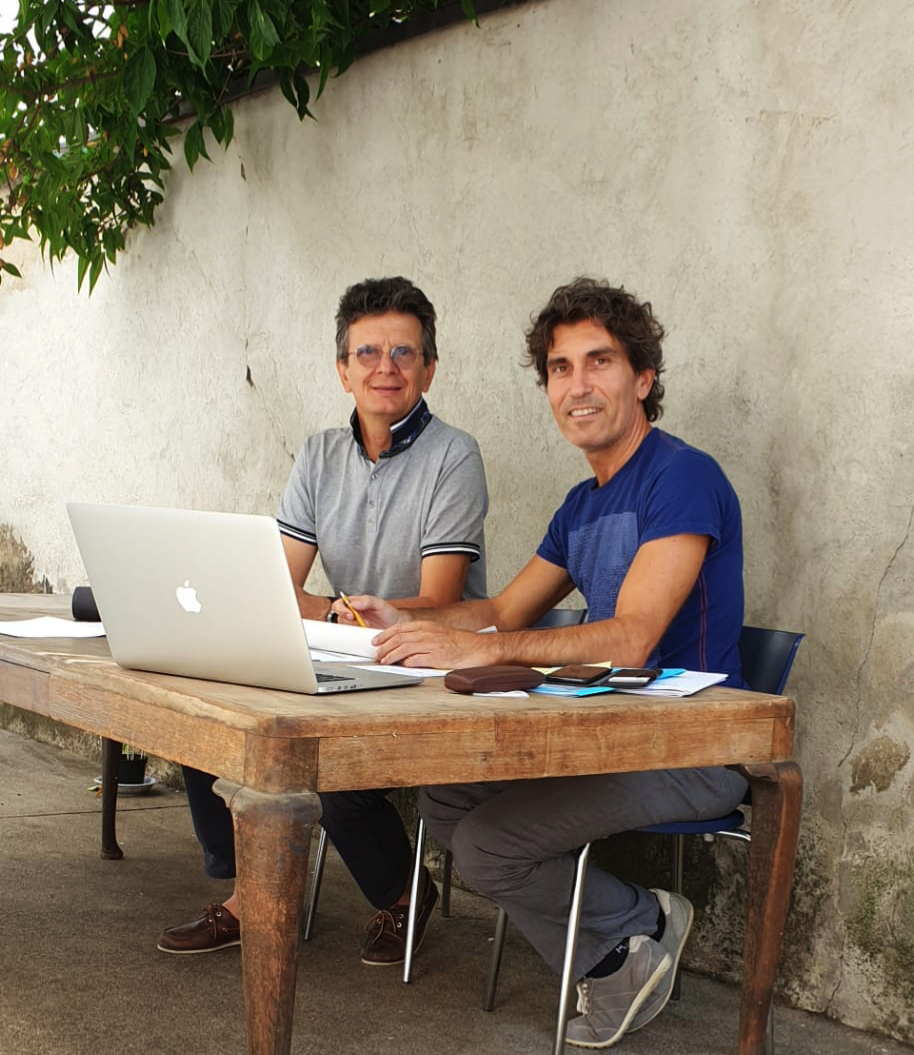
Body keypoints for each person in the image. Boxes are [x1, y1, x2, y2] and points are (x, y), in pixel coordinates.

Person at [339, 277, 747, 1048]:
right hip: (607, 731)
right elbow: (500, 612)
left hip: (695, 742)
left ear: (644, 379)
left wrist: (483, 648)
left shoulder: (682, 476)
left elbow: (629, 638)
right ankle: (642, 921)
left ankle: (626, 942)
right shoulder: (581, 501)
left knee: (492, 844)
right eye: (561, 368)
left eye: (600, 362)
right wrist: (411, 616)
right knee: (446, 800)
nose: (578, 385)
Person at [157, 276, 488, 967]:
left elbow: (437, 597)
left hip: (425, 664)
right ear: (343, 370)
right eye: (367, 352)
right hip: (341, 652)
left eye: (404, 352)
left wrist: (328, 609)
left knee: (327, 767)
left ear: (429, 367)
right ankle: (255, 888)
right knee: (203, 710)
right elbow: (279, 583)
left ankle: (403, 896)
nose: (385, 367)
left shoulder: (454, 456)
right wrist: (331, 611)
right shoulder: (318, 455)